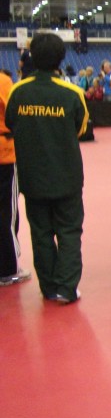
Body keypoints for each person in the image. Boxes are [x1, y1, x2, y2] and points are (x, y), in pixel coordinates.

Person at [4, 33, 89, 303]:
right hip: (66, 176)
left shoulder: (19, 90)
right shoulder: (73, 93)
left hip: (33, 177)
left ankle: (49, 286)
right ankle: (66, 287)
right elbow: (81, 128)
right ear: (61, 58)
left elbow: (10, 123)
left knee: (40, 232)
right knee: (69, 231)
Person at [0, 69, 32, 286]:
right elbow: (14, 116)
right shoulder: (4, 82)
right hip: (3, 154)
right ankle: (8, 267)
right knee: (6, 212)